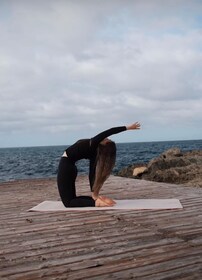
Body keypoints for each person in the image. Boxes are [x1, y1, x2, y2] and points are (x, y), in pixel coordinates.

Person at [57, 122, 141, 207]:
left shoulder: (94, 143)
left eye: (107, 139)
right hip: (71, 168)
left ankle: (96, 203)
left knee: (68, 203)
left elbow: (110, 131)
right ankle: (97, 200)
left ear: (104, 145)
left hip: (66, 167)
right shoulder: (95, 154)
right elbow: (92, 174)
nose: (107, 138)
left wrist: (127, 127)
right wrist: (94, 194)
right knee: (72, 199)